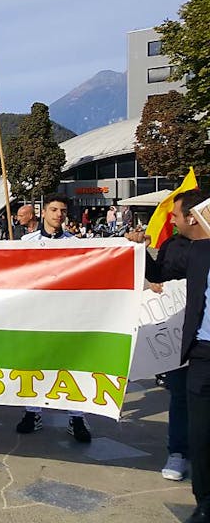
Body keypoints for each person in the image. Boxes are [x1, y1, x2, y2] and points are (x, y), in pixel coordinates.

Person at [127, 189, 206, 482]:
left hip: (204, 336)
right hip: (179, 337)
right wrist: (141, 252)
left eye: (174, 215)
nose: (171, 220)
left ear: (192, 217)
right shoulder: (172, 244)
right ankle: (179, 452)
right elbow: (160, 276)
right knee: (181, 396)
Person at [17, 195, 91, 443]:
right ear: (44, 212)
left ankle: (77, 417)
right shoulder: (26, 242)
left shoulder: (75, 243)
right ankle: (32, 412)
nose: (59, 214)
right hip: (35, 314)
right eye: (54, 209)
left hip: (66, 314)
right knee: (34, 363)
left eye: (63, 211)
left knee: (72, 364)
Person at [174, 225, 210, 522]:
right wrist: (137, 247)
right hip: (203, 353)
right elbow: (161, 271)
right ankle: (205, 501)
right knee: (201, 433)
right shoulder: (199, 250)